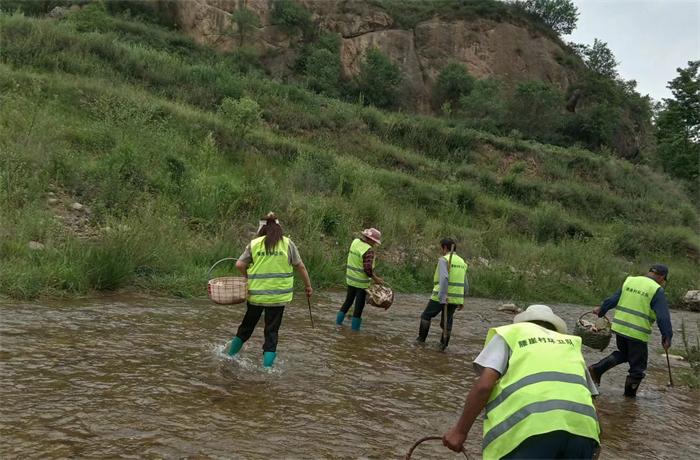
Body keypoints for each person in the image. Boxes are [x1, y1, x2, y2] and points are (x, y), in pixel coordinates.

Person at [442, 305, 600, 459]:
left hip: (531, 430)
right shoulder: (569, 344)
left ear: (523, 322)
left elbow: (484, 386)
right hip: (584, 433)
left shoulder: (512, 333)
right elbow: (590, 400)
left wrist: (460, 431)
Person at [225, 212, 313, 368]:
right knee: (271, 333)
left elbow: (239, 264)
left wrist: (249, 277)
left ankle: (229, 357)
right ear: (278, 228)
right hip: (277, 298)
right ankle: (267, 369)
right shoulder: (287, 243)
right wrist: (308, 286)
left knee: (246, 327)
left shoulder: (254, 244)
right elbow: (300, 266)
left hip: (256, 296)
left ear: (262, 229)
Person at [588, 264, 673, 397]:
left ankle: (597, 369)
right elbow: (663, 316)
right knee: (638, 368)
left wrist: (602, 310)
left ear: (649, 272)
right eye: (664, 280)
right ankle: (629, 399)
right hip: (637, 333)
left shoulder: (630, 280)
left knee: (625, 354)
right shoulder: (656, 290)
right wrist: (667, 336)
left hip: (620, 328)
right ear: (662, 277)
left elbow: (613, 299)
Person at [415, 238, 468, 351]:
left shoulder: (444, 260)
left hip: (442, 296)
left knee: (426, 316)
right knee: (447, 321)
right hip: (456, 298)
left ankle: (421, 340)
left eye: (441, 248)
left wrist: (442, 296)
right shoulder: (462, 262)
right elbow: (465, 283)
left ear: (444, 247)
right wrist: (462, 299)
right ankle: (443, 346)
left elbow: (444, 278)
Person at [335, 228, 384, 331]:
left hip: (350, 279)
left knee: (348, 301)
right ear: (370, 240)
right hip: (361, 283)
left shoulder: (355, 242)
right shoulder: (368, 250)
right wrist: (376, 279)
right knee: (358, 308)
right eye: (374, 242)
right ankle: (354, 332)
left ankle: (337, 324)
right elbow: (368, 270)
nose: (374, 244)